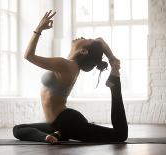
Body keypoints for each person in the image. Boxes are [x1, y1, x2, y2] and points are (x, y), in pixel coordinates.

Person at [13, 10, 128, 144]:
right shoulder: (71, 65)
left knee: (119, 135)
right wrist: (112, 59)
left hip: (68, 121)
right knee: (18, 129)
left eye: (85, 39)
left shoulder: (65, 65)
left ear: (83, 51)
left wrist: (39, 29)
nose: (81, 37)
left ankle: (115, 83)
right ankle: (51, 136)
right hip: (57, 123)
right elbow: (100, 41)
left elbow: (29, 56)